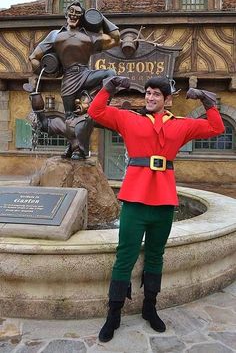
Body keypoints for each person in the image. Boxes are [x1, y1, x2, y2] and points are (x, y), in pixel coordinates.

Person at [87, 75, 225, 342]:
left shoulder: (181, 126)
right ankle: (113, 313)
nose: (150, 98)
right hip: (135, 200)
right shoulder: (129, 120)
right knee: (125, 255)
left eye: (156, 94)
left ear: (167, 99)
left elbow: (216, 128)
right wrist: (108, 88)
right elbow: (96, 111)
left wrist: (210, 103)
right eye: (148, 93)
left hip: (163, 201)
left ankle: (150, 307)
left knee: (155, 255)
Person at [29, 1, 120, 157]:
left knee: (110, 74)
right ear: (66, 14)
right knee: (71, 118)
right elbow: (34, 57)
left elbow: (115, 38)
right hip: (68, 79)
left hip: (85, 74)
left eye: (78, 13)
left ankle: (98, 104)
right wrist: (52, 72)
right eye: (71, 11)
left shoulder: (89, 36)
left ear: (82, 17)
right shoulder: (55, 35)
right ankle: (75, 147)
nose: (73, 14)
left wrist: (99, 17)